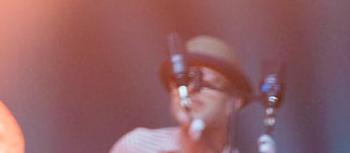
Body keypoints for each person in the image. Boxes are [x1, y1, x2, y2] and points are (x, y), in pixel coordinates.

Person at [109, 36, 255, 153]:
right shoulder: (137, 146)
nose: (192, 89)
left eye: (209, 82)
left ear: (234, 101)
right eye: (182, 80)